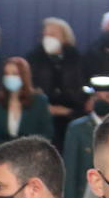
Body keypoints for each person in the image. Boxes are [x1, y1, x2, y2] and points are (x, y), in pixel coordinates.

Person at [62, 76, 109, 198]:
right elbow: (70, 169)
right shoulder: (77, 128)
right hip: (84, 197)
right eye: (97, 97)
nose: (102, 101)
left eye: (108, 97)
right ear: (91, 100)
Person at [26, 17, 84, 148]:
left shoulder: (77, 59)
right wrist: (43, 107)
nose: (47, 38)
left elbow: (81, 90)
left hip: (70, 116)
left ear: (65, 37)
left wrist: (68, 111)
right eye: (45, 35)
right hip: (42, 116)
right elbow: (29, 88)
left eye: (52, 35)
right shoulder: (33, 58)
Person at [0, 57, 54, 151]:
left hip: (30, 155)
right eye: (6, 74)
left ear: (24, 76)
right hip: (1, 155)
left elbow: (46, 133)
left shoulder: (40, 101)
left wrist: (23, 150)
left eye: (14, 74)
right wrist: (7, 150)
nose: (9, 77)